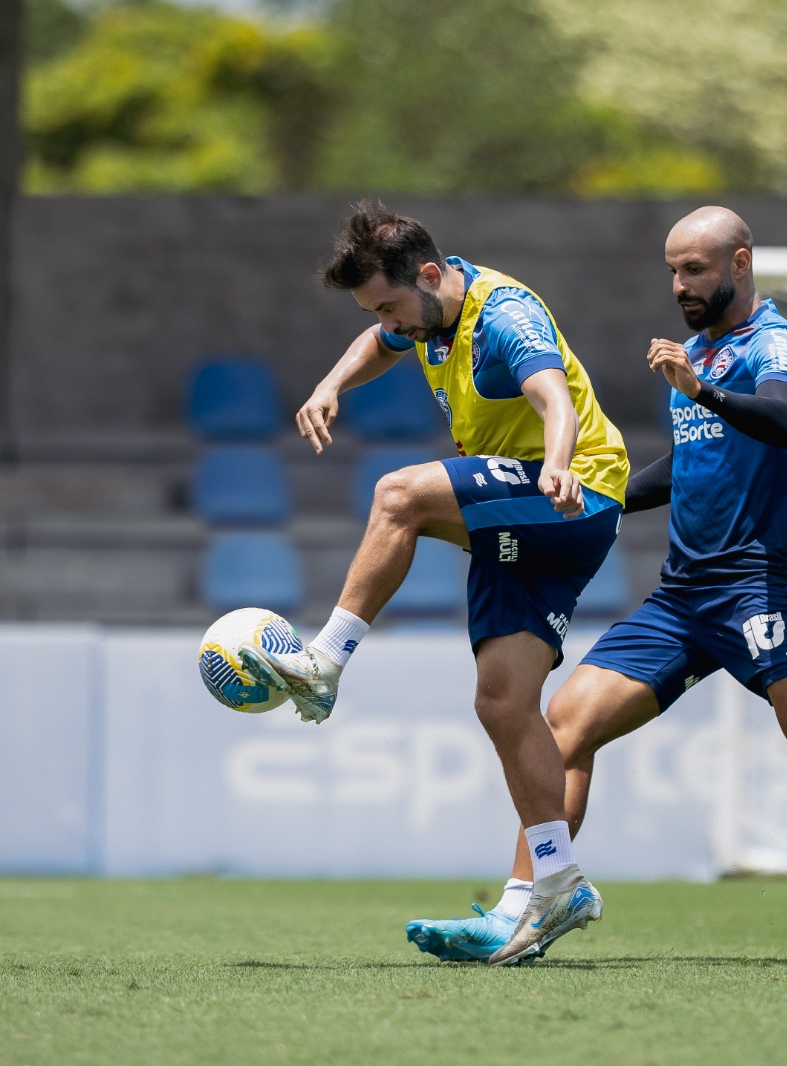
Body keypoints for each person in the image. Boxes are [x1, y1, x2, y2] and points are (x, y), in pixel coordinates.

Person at [406, 206, 787, 966]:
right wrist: (603, 492)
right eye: (672, 270)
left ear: (740, 262)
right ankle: (522, 911)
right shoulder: (695, 354)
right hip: (681, 597)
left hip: (757, 585)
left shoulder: (775, 343)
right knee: (563, 728)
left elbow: (781, 421)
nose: (680, 284)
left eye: (695, 268)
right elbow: (690, 466)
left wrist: (699, 389)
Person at [240, 199, 628, 967]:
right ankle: (555, 881)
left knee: (399, 495)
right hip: (526, 520)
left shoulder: (504, 315)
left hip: (573, 490)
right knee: (502, 703)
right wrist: (331, 384)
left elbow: (551, 393)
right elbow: (378, 342)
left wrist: (555, 460)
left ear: (427, 273)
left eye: (389, 303)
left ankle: (324, 661)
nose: (389, 321)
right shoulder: (423, 314)